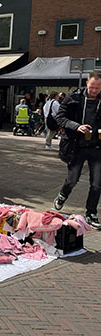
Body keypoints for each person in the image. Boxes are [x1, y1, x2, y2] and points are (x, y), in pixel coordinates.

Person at [53, 73, 101, 228]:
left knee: (97, 183)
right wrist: (77, 126)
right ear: (87, 83)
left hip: (97, 147)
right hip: (76, 145)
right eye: (92, 87)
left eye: (98, 88)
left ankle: (91, 213)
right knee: (73, 179)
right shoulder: (74, 97)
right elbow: (60, 117)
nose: (94, 90)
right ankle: (63, 194)